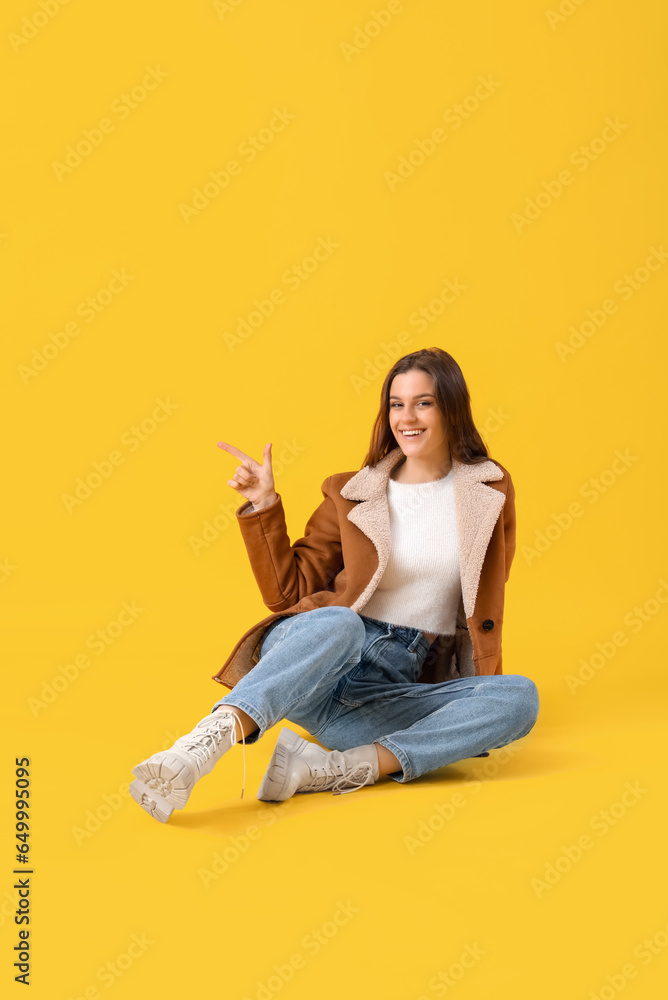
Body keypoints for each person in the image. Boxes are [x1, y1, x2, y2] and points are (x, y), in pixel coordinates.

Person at [130, 347, 539, 822]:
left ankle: (329, 769)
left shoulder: (488, 490)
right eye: (396, 404)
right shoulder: (350, 492)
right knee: (342, 623)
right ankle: (202, 745)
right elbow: (289, 592)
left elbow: (486, 593)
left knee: (519, 697)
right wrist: (263, 506)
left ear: (451, 407)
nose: (406, 417)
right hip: (312, 659)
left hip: (377, 696)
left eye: (423, 402)